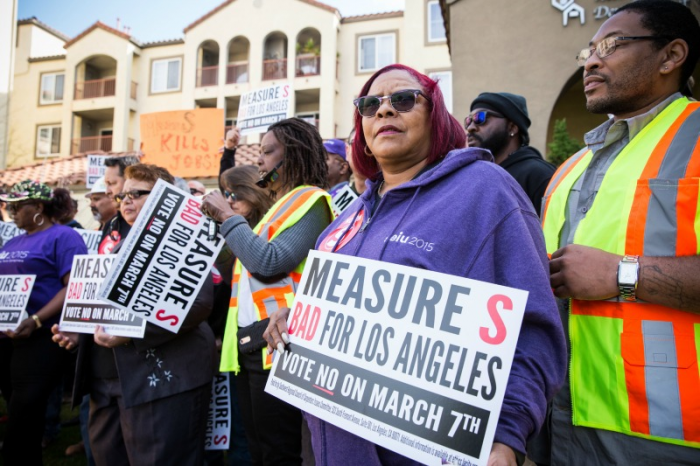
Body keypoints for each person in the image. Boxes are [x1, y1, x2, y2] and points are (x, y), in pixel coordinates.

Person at [264, 64, 567, 466]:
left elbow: (534, 327)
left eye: (403, 100)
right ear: (364, 135)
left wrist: (507, 438)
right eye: (370, 105)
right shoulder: (345, 220)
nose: (384, 111)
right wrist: (297, 317)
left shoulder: (485, 189)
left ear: (436, 117)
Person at [543, 1, 700, 464]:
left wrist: (623, 274)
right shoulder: (569, 168)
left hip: (667, 437)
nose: (592, 60)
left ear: (671, 57)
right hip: (560, 421)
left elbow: (608, 271)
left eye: (611, 45)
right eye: (588, 50)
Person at [53, 164, 216, 465]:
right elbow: (103, 311)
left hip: (161, 381)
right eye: (123, 195)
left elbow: (198, 305)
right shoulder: (113, 244)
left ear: (166, 199)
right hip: (106, 382)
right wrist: (80, 329)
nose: (125, 200)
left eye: (136, 194)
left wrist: (129, 333)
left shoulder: (183, 241)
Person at [201, 117, 333, 465]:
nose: (259, 160)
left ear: (293, 155)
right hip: (251, 344)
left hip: (280, 344)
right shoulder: (275, 209)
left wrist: (228, 216)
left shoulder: (312, 202)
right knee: (259, 450)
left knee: (278, 452)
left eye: (266, 152)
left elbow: (270, 261)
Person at [0, 180, 88, 465]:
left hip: (43, 336)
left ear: (38, 207)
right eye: (9, 206)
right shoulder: (13, 241)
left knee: (24, 409)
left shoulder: (64, 237)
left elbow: (73, 284)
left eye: (17, 206)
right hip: (9, 335)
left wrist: (37, 319)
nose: (11, 211)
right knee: (21, 410)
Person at [467, 92, 555, 214]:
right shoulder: (476, 177)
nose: (470, 127)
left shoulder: (539, 175)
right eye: (468, 120)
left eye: (480, 117)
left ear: (512, 127)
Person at [99, 156, 140, 254]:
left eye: (112, 183)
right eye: (106, 185)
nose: (107, 191)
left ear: (129, 182)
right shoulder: (111, 224)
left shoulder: (147, 225)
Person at [345, 128, 367, 195]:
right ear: (347, 151)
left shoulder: (392, 196)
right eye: (357, 144)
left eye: (367, 144)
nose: (363, 150)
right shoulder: (336, 201)